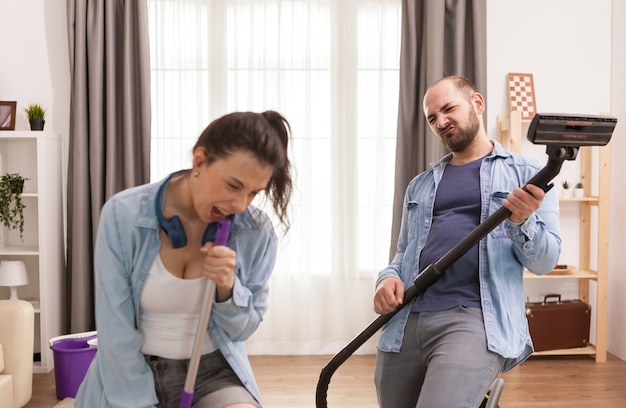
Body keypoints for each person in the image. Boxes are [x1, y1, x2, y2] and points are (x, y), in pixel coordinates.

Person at [74, 111, 293, 408]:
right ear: (199, 161)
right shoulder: (122, 216)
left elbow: (242, 330)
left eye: (254, 193)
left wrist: (228, 288)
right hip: (131, 371)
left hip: (212, 372)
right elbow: (115, 329)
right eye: (233, 186)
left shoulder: (256, 232)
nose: (240, 205)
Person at [373, 76, 561, 408]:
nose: (441, 122)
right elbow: (403, 253)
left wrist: (522, 220)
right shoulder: (420, 185)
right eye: (432, 118)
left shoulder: (529, 174)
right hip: (406, 320)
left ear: (477, 102)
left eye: (448, 109)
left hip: (473, 319)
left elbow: (545, 262)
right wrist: (387, 278)